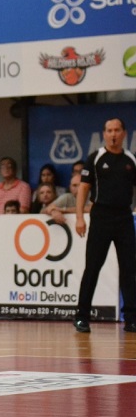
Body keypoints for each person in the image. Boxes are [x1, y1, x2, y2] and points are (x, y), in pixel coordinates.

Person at [74, 118, 136, 334]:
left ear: (124, 133)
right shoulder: (95, 158)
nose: (113, 134)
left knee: (129, 269)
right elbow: (83, 188)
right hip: (101, 217)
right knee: (92, 267)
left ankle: (131, 319)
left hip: (124, 218)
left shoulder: (131, 160)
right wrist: (80, 217)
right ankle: (82, 317)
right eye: (109, 130)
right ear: (104, 134)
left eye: (117, 130)